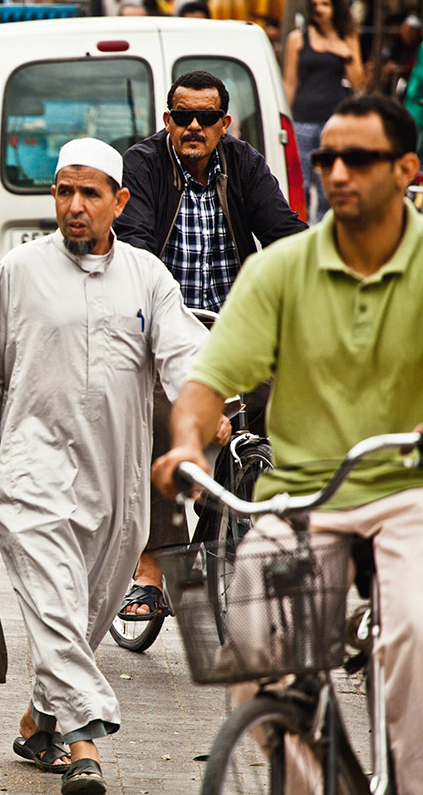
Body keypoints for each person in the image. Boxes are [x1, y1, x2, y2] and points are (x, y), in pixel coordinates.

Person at [152, 94, 423, 795]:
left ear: (405, 170)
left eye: (358, 158)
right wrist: (185, 445)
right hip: (301, 497)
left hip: (406, 494)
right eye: (327, 157)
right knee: (251, 654)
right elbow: (208, 381)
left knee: (414, 637)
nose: (337, 173)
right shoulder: (281, 270)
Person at [0, 138, 223, 795]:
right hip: (29, 477)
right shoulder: (20, 270)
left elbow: (183, 353)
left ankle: (42, 720)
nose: (74, 205)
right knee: (56, 604)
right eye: (64, 191)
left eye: (90, 193)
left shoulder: (147, 278)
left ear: (119, 202)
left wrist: (212, 405)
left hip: (116, 488)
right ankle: (85, 742)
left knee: (82, 614)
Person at [113, 69, 306, 621]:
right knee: (159, 417)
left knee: (283, 404)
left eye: (206, 118)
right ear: (167, 120)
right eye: (182, 116)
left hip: (234, 330)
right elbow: (138, 249)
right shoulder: (143, 165)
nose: (193, 126)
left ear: (225, 123)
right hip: (166, 331)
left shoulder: (244, 163)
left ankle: (241, 525)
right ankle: (152, 566)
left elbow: (284, 232)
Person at [283, 0, 363, 222]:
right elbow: (289, 83)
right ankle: (300, 232)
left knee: (332, 180)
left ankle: (326, 228)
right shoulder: (298, 38)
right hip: (303, 119)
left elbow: (357, 83)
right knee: (300, 182)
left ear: (336, 7)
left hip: (335, 119)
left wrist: (344, 52)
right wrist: (284, 121)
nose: (319, 9)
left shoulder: (347, 38)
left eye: (325, 4)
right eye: (315, 5)